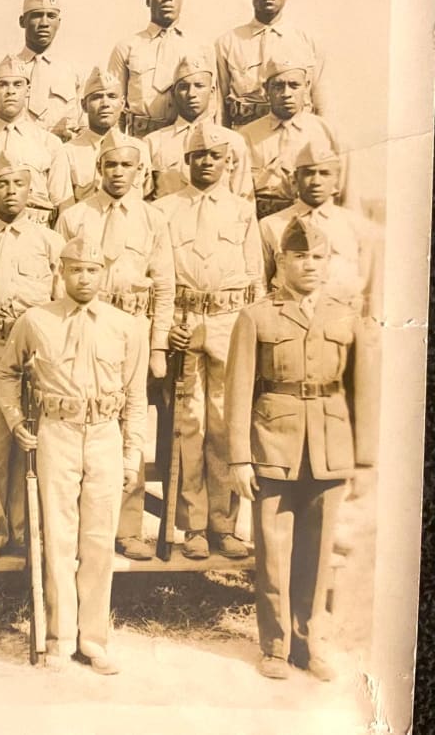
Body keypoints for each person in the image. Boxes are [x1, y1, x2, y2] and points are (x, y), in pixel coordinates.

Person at [226, 217, 378, 681]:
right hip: (274, 441)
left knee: (317, 549)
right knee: (272, 548)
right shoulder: (257, 315)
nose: (308, 265)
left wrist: (365, 459)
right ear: (282, 262)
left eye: (317, 257)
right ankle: (275, 646)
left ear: (328, 263)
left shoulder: (345, 316)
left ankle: (309, 643)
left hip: (330, 444)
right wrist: (238, 457)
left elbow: (363, 390)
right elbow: (236, 391)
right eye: (299, 256)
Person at [0, 235, 148, 674]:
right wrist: (15, 421)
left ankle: (93, 639)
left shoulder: (125, 325)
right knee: (59, 538)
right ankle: (59, 637)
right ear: (60, 272)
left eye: (93, 269)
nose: (85, 277)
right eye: (76, 269)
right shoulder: (35, 320)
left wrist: (132, 452)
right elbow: (6, 374)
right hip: (56, 432)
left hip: (105, 433)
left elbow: (136, 395)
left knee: (99, 539)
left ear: (104, 273)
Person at [56, 131, 174, 561]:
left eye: (127, 165)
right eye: (111, 165)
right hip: (88, 322)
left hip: (135, 325)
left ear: (140, 170)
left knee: (130, 417)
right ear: (98, 169)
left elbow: (164, 284)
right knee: (87, 418)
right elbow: (60, 282)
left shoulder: (153, 218)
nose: (118, 172)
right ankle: (81, 527)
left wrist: (158, 343)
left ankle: (127, 526)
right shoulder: (74, 217)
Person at [153, 123, 264, 560]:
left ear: (227, 161)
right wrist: (164, 330)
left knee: (224, 422)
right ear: (186, 161)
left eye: (214, 156)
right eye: (197, 155)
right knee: (188, 424)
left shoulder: (242, 211)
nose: (205, 162)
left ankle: (224, 523)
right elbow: (157, 279)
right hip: (185, 319)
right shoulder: (164, 209)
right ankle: (192, 524)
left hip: (229, 320)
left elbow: (256, 278)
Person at [0, 152, 64, 562]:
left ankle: (28, 529)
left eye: (18, 183)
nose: (10, 191)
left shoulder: (49, 241)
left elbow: (60, 298)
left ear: (30, 189)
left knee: (34, 436)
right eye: (1, 184)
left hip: (38, 348)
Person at [260, 135, 381, 319]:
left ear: (337, 180)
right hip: (286, 322)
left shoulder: (358, 227)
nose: (316, 181)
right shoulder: (271, 225)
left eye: (324, 173)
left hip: (341, 324)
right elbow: (259, 284)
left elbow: (371, 291)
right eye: (308, 173)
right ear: (295, 179)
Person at [216, 0, 327, 128]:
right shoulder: (228, 43)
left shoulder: (307, 41)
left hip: (297, 136)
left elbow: (322, 104)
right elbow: (219, 107)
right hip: (245, 135)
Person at [0, 55, 72, 226]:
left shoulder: (49, 143)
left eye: (17, 85)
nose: (10, 91)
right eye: (3, 85)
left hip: (36, 235)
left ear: (28, 90)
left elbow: (64, 202)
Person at [237, 58, 347, 219]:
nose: (286, 94)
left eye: (294, 85)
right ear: (266, 89)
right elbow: (237, 192)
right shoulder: (246, 136)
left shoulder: (325, 131)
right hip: (259, 221)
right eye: (278, 86)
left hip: (313, 221)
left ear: (307, 86)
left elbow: (344, 192)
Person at [0, 0, 81, 141]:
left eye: (51, 16)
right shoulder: (0, 71)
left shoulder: (72, 73)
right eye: (37, 16)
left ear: (59, 23)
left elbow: (83, 129)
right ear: (22, 21)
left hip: (60, 156)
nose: (44, 23)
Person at [146, 54, 252, 200]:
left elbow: (244, 199)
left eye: (199, 86)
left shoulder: (233, 141)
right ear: (173, 94)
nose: (191, 94)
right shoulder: (153, 143)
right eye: (183, 87)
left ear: (212, 91)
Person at [108, 0, 192, 137]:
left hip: (183, 141)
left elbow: (210, 108)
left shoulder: (198, 47)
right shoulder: (127, 47)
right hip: (140, 139)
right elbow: (113, 106)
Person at [63, 67, 153, 205]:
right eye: (97, 97)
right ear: (84, 105)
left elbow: (147, 199)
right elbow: (65, 208)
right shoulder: (68, 152)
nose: (105, 104)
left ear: (122, 104)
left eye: (112, 96)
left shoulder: (140, 148)